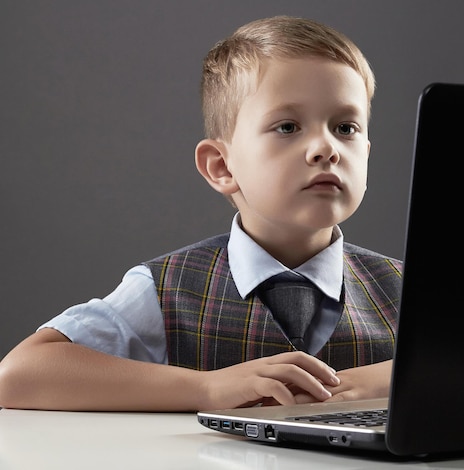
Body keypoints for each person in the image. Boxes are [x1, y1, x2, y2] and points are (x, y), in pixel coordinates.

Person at [0, 16, 402, 411]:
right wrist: (205, 389)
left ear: (365, 155)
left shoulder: (409, 289)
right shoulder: (165, 290)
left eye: (345, 128)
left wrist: (377, 380)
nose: (325, 148)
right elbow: (17, 375)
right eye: (287, 127)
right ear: (221, 167)